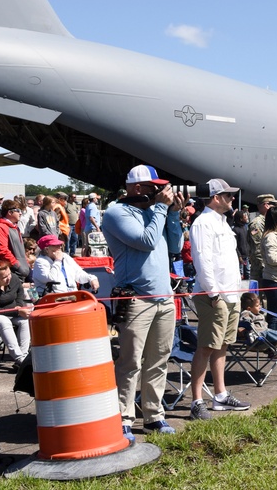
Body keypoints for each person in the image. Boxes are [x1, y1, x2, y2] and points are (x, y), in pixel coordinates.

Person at [101, 165, 184, 440]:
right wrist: (161, 209)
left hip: (164, 297)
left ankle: (154, 415)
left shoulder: (154, 211)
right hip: (136, 299)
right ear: (138, 188)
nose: (161, 192)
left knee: (159, 360)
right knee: (130, 362)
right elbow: (146, 241)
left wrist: (173, 215)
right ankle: (123, 417)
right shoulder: (117, 212)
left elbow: (174, 247)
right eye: (155, 187)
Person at [190, 178, 251, 420]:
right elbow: (202, 259)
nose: (232, 199)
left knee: (222, 344)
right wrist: (213, 293)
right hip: (214, 295)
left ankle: (220, 395)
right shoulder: (203, 223)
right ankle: (196, 401)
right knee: (206, 346)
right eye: (227, 196)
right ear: (216, 198)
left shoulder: (222, 222)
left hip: (230, 293)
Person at [31, 234, 99, 296]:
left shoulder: (65, 257)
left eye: (60, 245)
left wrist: (91, 279)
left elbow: (78, 273)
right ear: (47, 249)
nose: (60, 247)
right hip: (53, 297)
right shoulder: (40, 262)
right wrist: (58, 261)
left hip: (72, 295)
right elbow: (51, 278)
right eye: (56, 245)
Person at [239, 292, 277, 360]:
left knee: (276, 335)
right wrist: (247, 325)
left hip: (265, 334)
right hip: (259, 336)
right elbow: (244, 320)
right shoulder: (246, 313)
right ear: (249, 309)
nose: (260, 307)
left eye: (260, 304)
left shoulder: (257, 313)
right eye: (257, 306)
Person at [0, 200, 31, 279]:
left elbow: (20, 250)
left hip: (20, 271)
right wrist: (16, 265)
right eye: (18, 210)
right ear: (10, 212)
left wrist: (26, 263)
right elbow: (2, 250)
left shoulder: (15, 227)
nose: (20, 213)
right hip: (8, 273)